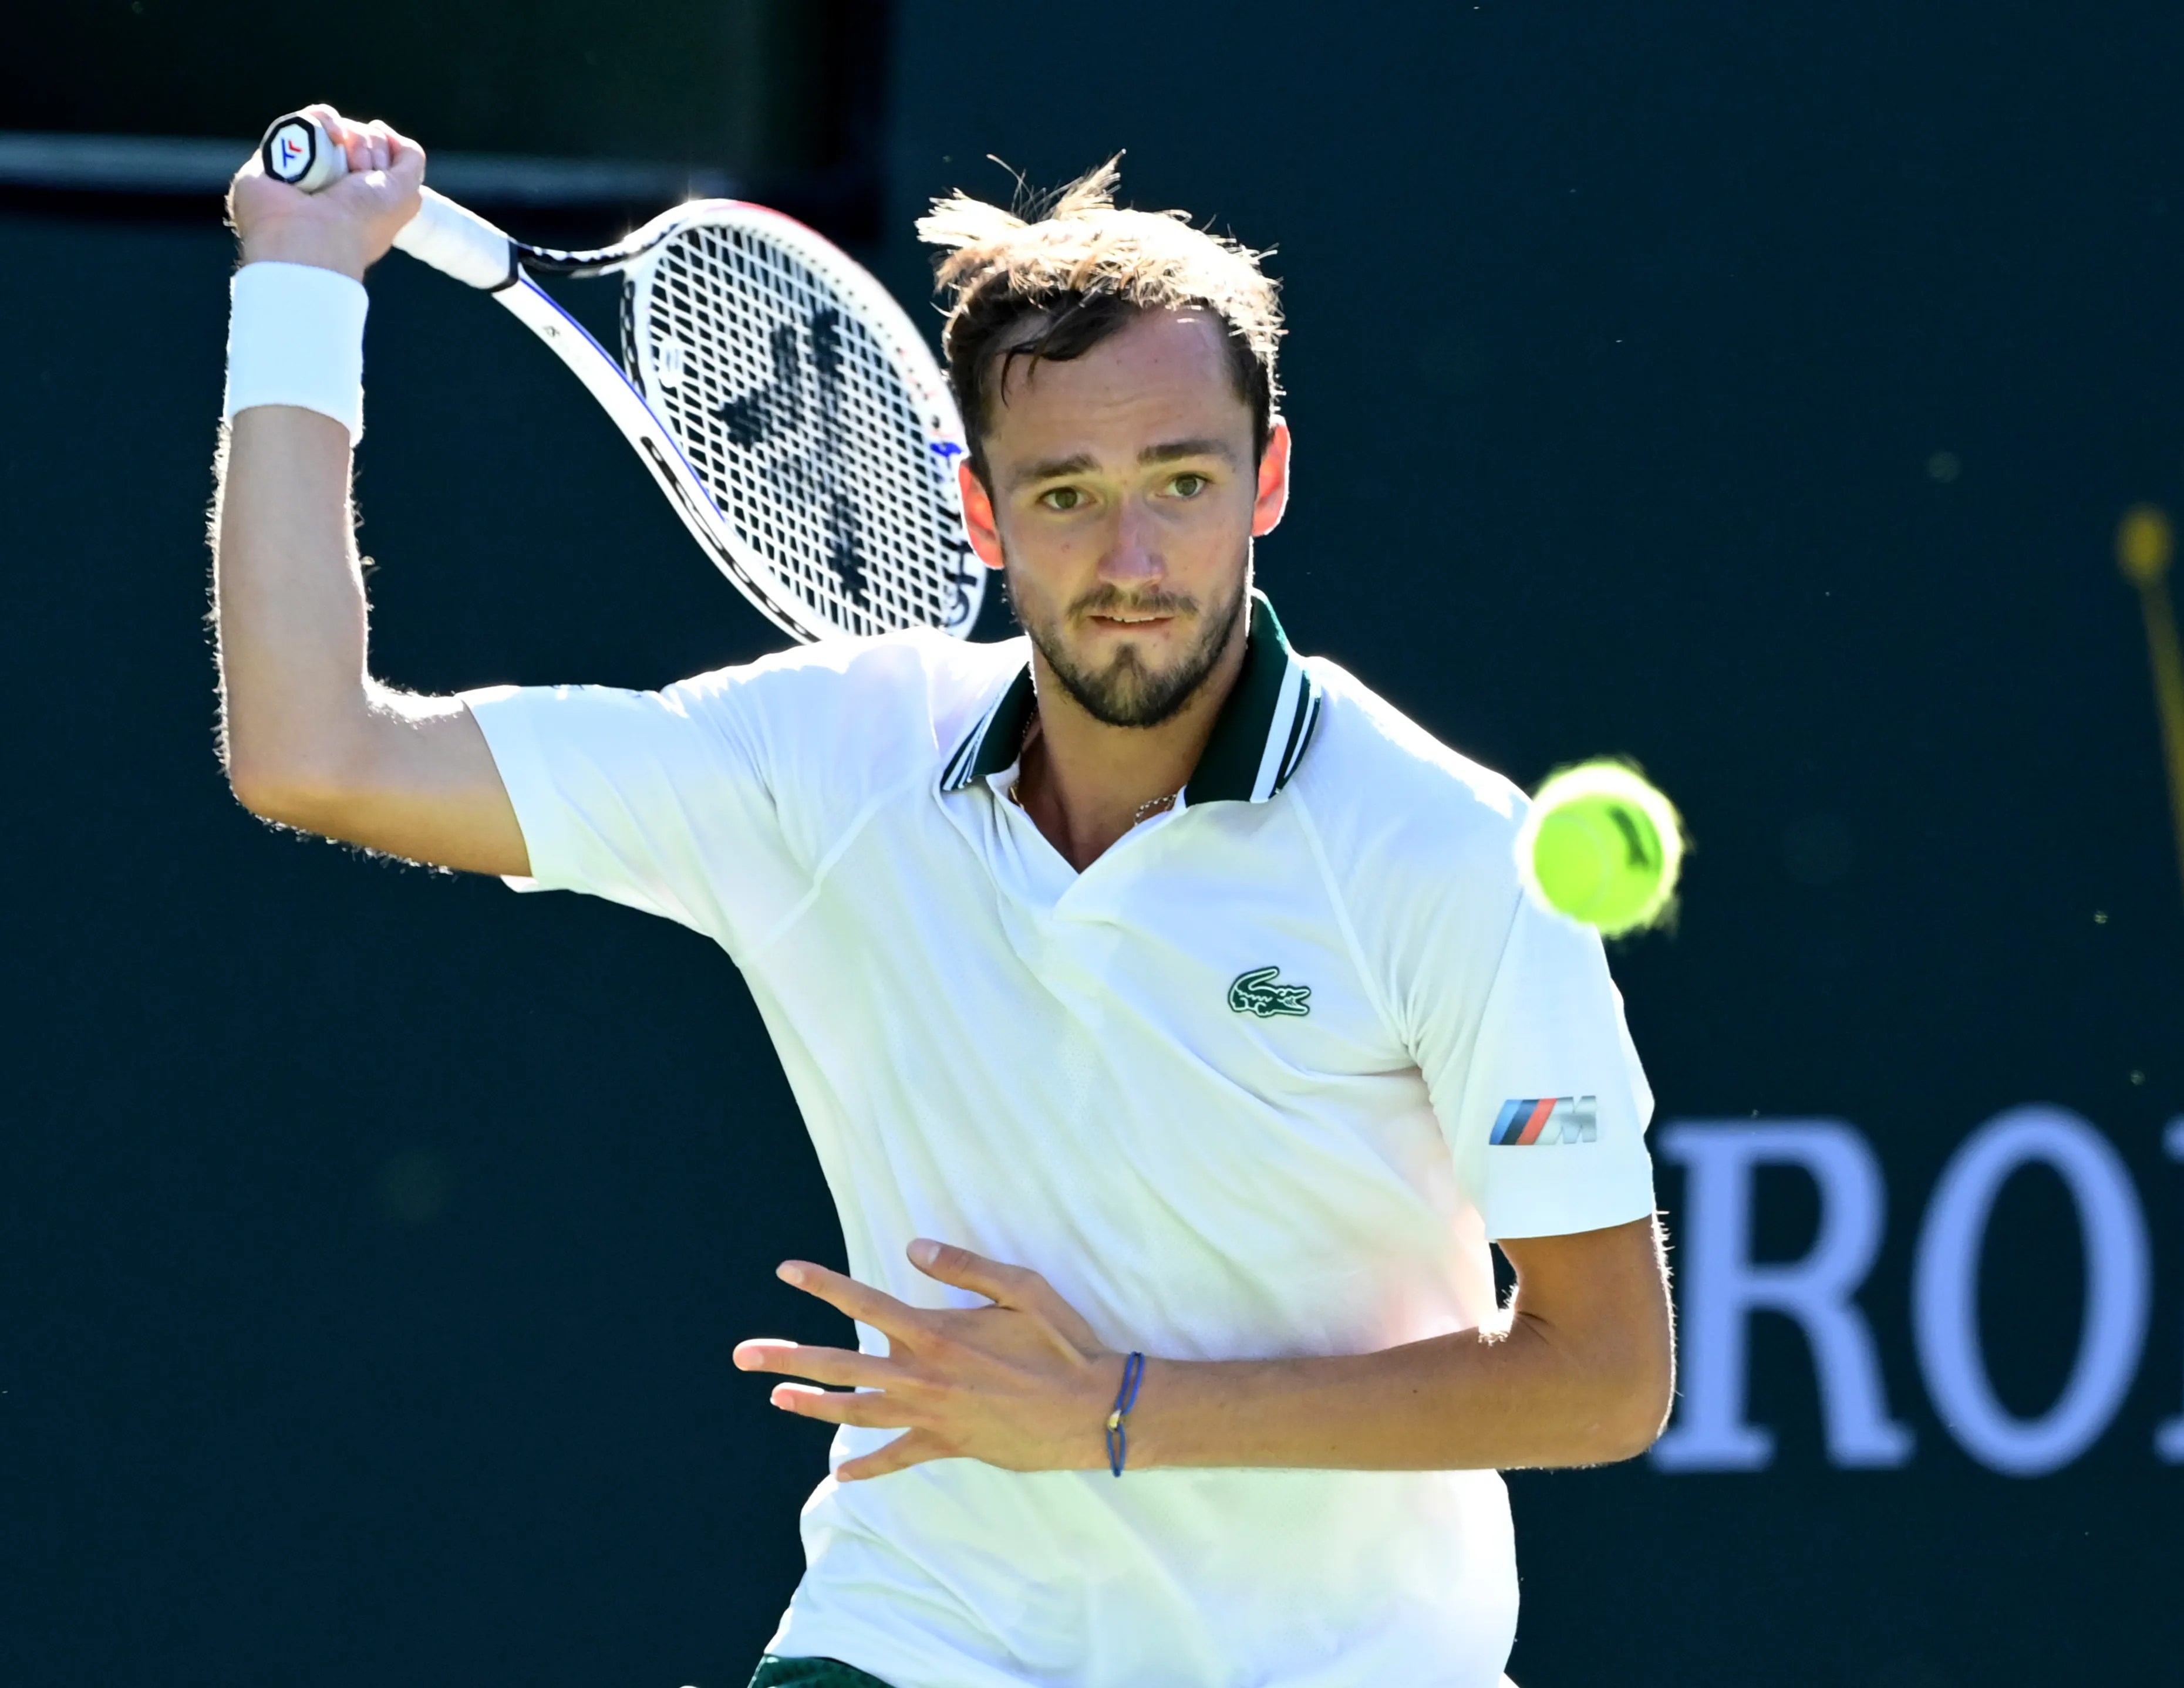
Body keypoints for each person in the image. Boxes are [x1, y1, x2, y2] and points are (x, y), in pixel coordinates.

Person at [215, 110, 1674, 1688]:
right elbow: (316, 750)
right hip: (923, 1637)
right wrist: (299, 286)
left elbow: (1602, 1374)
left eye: (1182, 482)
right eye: (1064, 496)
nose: (1133, 554)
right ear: (980, 515)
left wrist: (1118, 1410)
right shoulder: (830, 761)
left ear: (1269, 479)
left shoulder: (1446, 854)